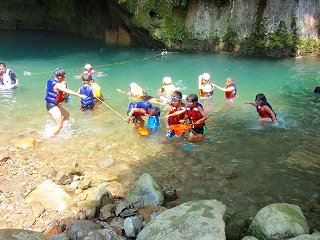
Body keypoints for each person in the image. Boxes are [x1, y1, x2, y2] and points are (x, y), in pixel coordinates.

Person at [45, 68, 86, 137]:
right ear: (60, 77)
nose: (65, 78)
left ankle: (62, 130)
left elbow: (46, 88)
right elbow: (66, 91)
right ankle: (50, 138)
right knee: (59, 125)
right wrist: (79, 95)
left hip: (53, 104)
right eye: (64, 77)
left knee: (67, 115)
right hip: (52, 106)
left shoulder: (50, 80)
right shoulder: (58, 84)